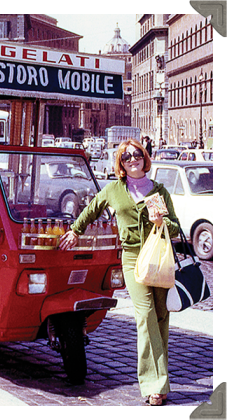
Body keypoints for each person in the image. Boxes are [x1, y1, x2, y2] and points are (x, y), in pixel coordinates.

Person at [59, 139, 180, 406]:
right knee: (145, 315)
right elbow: (92, 209)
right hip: (133, 258)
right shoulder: (115, 190)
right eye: (126, 157)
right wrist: (75, 231)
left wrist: (162, 221)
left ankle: (161, 381)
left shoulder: (158, 192)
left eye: (137, 154)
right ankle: (153, 385)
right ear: (121, 164)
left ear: (144, 158)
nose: (133, 159)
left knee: (161, 317)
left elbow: (175, 228)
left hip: (158, 256)